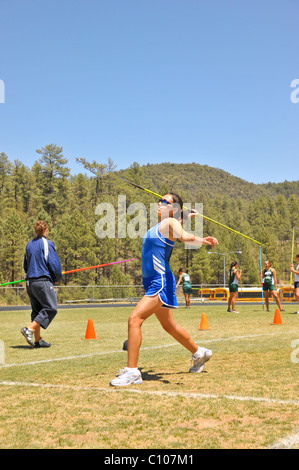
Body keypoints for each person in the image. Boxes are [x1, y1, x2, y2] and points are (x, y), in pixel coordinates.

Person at [110, 193, 218, 387]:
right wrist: (187, 215)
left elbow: (184, 236)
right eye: (159, 201)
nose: (159, 204)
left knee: (135, 319)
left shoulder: (169, 223)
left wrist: (203, 240)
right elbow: (179, 225)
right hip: (153, 280)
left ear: (173, 208)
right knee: (169, 326)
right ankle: (199, 353)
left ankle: (132, 372)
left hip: (159, 281)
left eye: (165, 202)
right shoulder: (165, 224)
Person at [21, 221, 62, 348]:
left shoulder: (29, 244)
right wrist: (57, 277)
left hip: (30, 282)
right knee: (51, 308)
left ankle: (38, 340)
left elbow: (25, 265)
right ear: (46, 230)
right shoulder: (47, 243)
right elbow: (54, 264)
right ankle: (29, 329)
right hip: (42, 281)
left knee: (37, 311)